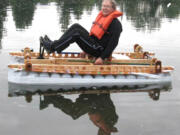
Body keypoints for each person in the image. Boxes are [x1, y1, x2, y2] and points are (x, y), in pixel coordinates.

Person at [40, 0, 123, 65]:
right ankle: (54, 45)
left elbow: (113, 43)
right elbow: (96, 35)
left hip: (99, 50)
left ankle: (52, 48)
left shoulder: (116, 24)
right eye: (103, 6)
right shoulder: (104, 18)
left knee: (77, 33)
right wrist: (86, 50)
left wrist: (102, 58)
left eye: (107, 6)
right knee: (76, 26)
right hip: (94, 45)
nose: (104, 8)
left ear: (113, 9)